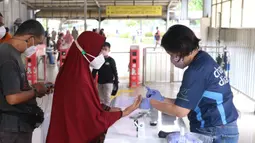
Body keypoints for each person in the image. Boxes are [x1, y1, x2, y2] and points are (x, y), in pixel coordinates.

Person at [144, 25, 239, 143]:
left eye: (171, 54)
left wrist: (152, 103)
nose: (172, 59)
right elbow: (187, 102)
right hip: (221, 127)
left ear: (180, 51)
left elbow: (180, 111)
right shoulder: (203, 58)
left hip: (216, 130)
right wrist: (162, 99)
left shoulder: (196, 71)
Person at [46, 31, 142, 143]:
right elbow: (91, 120)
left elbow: (82, 106)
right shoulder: (79, 79)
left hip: (65, 133)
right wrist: (123, 112)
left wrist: (107, 109)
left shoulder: (71, 70)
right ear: (87, 51)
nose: (100, 55)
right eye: (98, 51)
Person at [0, 19, 52, 143]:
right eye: (37, 43)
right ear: (30, 39)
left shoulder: (12, 52)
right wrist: (35, 91)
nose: (35, 47)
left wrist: (31, 87)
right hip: (11, 129)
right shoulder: (9, 57)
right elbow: (12, 98)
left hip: (14, 125)